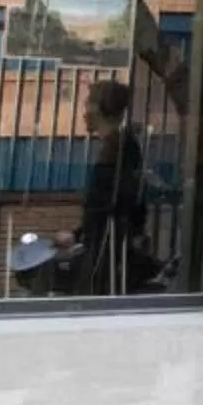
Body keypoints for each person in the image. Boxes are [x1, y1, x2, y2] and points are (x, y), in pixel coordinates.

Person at [66, 79, 154, 295]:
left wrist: (78, 235)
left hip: (106, 248)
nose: (84, 111)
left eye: (87, 103)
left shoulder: (117, 150)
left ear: (99, 108)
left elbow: (106, 204)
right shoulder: (122, 146)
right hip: (107, 243)